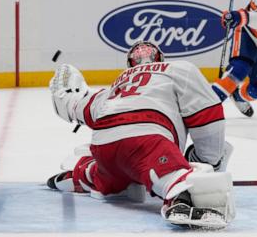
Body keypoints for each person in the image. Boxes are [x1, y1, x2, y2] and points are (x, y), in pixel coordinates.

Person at [47, 41, 235, 229]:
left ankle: (81, 175)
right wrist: (209, 160)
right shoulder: (179, 68)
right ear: (161, 58)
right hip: (146, 141)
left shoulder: (117, 85)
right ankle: (180, 200)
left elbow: (80, 107)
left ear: (130, 65)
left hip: (103, 147)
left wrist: (67, 95)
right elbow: (208, 113)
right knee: (173, 177)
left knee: (108, 176)